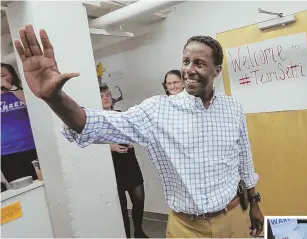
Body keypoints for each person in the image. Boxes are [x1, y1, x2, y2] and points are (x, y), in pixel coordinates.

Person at [14, 24, 264, 238]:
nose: (189, 70)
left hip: (234, 216)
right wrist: (55, 98)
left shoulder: (232, 108)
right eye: (186, 61)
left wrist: (254, 203)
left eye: (199, 63)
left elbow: (244, 159)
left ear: (216, 71)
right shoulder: (157, 111)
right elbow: (96, 123)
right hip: (187, 227)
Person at [100, 83, 148, 238]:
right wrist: (109, 147)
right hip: (113, 166)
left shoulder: (123, 114)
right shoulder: (97, 120)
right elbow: (91, 144)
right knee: (121, 206)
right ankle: (125, 235)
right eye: (101, 96)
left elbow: (134, 133)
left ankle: (138, 231)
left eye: (107, 94)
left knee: (139, 199)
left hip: (129, 161)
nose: (106, 98)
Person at [1, 62, 38, 182]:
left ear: (12, 75)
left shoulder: (22, 92)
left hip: (32, 146)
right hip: (7, 153)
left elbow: (34, 106)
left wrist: (10, 87)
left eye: (2, 75)